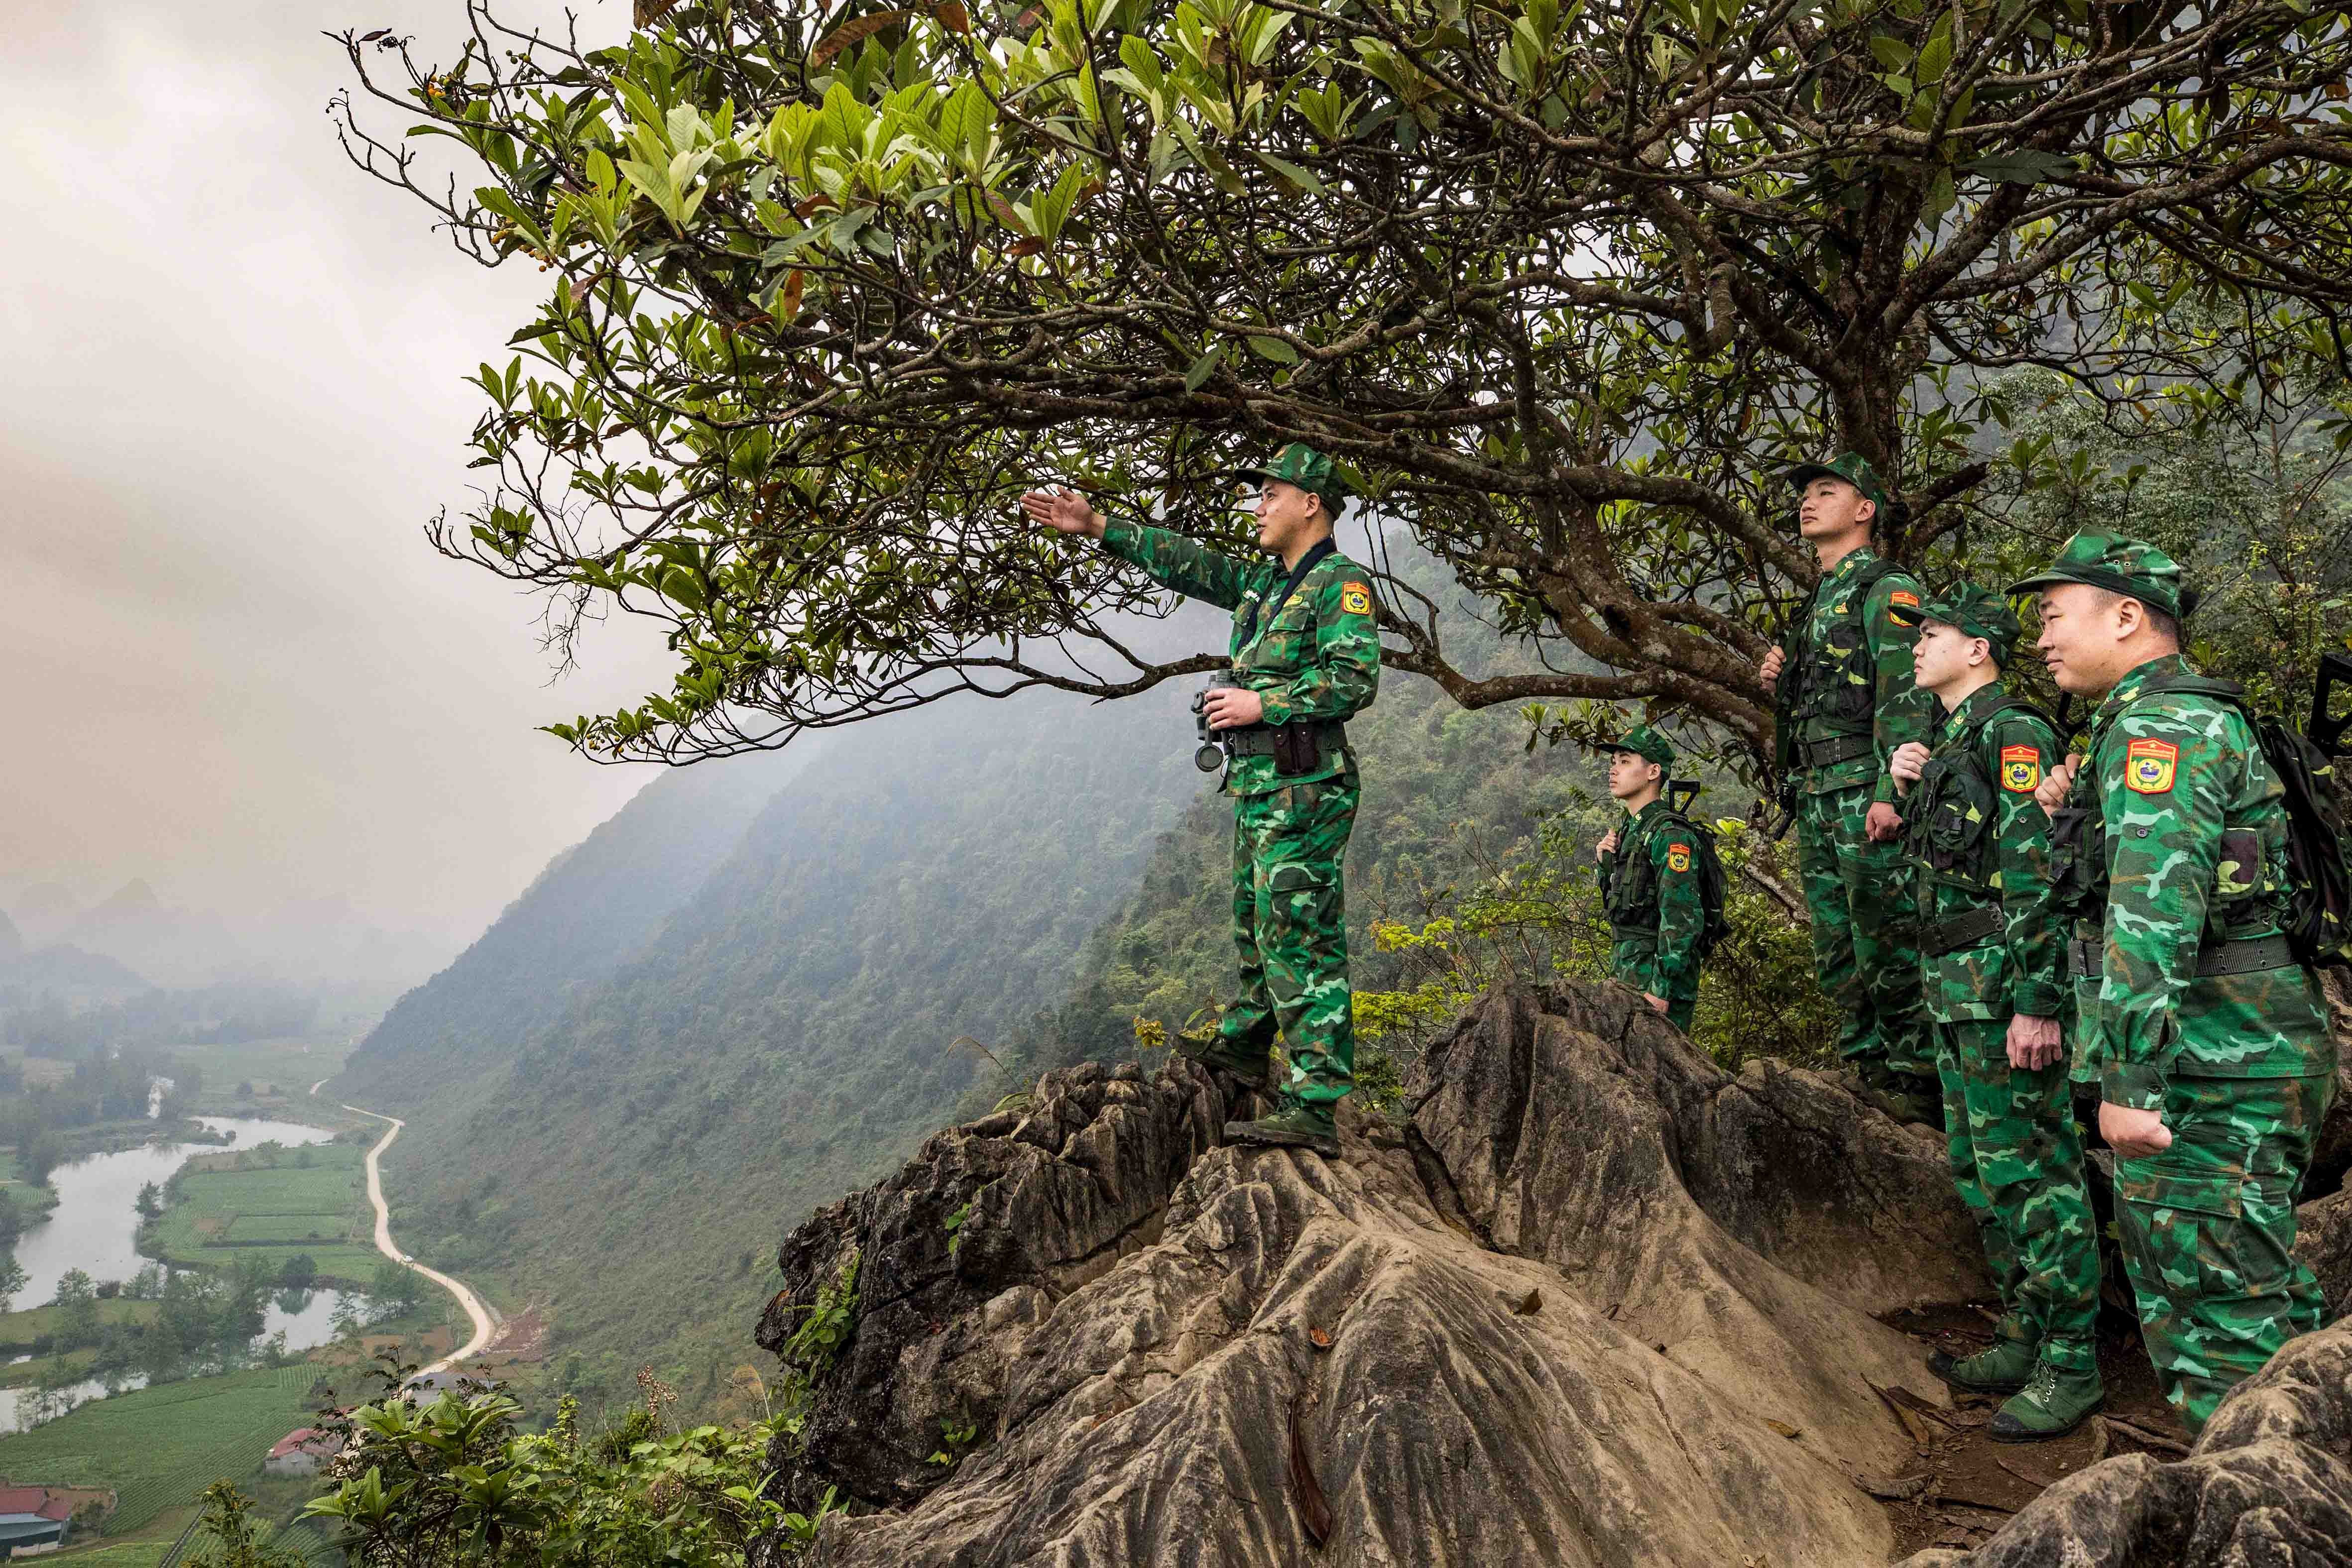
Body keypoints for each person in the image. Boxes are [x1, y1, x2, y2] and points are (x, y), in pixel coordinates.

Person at [2013, 533, 2338, 1433]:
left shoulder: (2160, 727)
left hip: (2212, 1064)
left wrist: (2126, 1082)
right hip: (2237, 1053)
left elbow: (2150, 920)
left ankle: (2260, 1508)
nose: (2039, 637)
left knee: (2215, 1334)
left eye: (2051, 615)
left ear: (2124, 616)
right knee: (2259, 1308)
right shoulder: (2156, 721)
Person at [1020, 445, 1380, 1158]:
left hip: (1305, 786)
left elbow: (1355, 680)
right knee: (1253, 917)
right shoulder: (1267, 584)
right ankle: (1248, 1039)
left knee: (1298, 930)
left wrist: (1261, 701)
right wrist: (1098, 528)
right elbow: (1187, 562)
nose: (1259, 506)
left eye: (1270, 494)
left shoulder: (1340, 584)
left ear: (1311, 502)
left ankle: (1315, 1099)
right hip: (1260, 786)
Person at [1886, 584, 2103, 1440]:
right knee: (1982, 1174)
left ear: (1976, 648)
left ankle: (2072, 1361)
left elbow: (2034, 875)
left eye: (1930, 631)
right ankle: (2024, 1332)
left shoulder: (2014, 732)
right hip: (1952, 983)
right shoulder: (1951, 741)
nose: (1915, 645)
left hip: (1998, 985)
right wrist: (1902, 781)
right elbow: (1946, 861)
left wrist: (2037, 1001)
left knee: (2035, 1175)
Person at [1758, 453, 1939, 1123]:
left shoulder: (1887, 587)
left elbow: (1905, 691)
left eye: (1826, 491)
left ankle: (1918, 1085)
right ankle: (1868, 1073)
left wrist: (1893, 790)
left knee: (1885, 937)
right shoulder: (1820, 600)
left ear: (1865, 509)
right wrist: (1785, 674)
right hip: (1818, 788)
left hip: (1866, 783)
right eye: (1805, 493)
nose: (1808, 501)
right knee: (1837, 943)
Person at [1591, 724, 1706, 1031]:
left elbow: (1682, 919)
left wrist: (1661, 988)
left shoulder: (1669, 835)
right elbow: (1622, 909)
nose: (1614, 770)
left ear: (1654, 771)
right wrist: (1605, 865)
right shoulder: (1630, 831)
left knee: (1662, 1074)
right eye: (1613, 762)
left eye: (1625, 762)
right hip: (1626, 969)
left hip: (1656, 979)